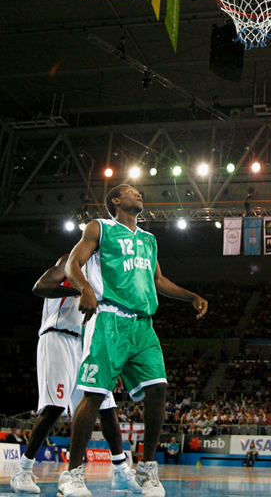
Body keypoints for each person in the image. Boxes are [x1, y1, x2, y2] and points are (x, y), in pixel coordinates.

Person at [61, 184, 208, 497]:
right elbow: (71, 264)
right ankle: (72, 474)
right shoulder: (99, 227)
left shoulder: (149, 240)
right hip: (108, 320)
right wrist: (85, 288)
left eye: (139, 191)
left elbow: (158, 281)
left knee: (159, 388)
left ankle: (147, 467)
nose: (138, 193)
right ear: (115, 200)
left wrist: (191, 296)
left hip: (142, 325)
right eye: (130, 191)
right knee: (95, 395)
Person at [10, 255, 138, 495]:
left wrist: (112, 363)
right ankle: (23, 471)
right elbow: (41, 287)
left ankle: (121, 471)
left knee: (107, 406)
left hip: (87, 345)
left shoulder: (104, 275)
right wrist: (78, 292)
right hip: (58, 335)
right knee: (54, 408)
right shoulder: (70, 261)